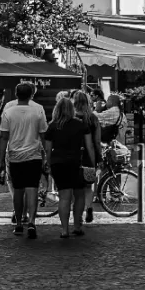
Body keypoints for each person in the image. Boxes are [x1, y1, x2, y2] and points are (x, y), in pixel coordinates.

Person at [0, 82, 48, 240]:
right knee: (32, 189)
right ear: (31, 94)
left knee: (18, 190)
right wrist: (47, 156)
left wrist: (0, 160)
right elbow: (44, 136)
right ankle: (31, 222)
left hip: (15, 156)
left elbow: (3, 137)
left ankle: (19, 223)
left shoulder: (8, 112)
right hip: (34, 156)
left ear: (16, 94)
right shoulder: (38, 111)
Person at [43, 96, 96, 238]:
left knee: (64, 197)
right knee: (79, 195)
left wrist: (48, 163)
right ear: (72, 109)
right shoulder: (80, 124)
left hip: (58, 164)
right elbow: (89, 146)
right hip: (76, 163)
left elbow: (47, 149)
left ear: (57, 109)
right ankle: (77, 226)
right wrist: (92, 163)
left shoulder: (52, 126)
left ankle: (64, 230)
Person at [72, 89, 102, 223]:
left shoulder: (70, 118)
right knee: (89, 185)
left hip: (73, 156)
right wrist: (98, 158)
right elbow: (97, 141)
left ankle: (77, 214)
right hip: (89, 156)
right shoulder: (92, 118)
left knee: (75, 187)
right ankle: (89, 208)